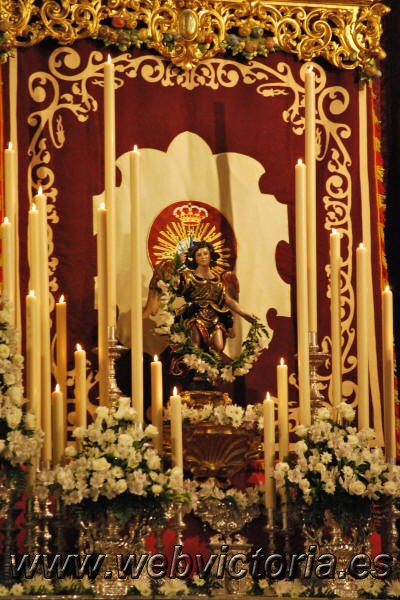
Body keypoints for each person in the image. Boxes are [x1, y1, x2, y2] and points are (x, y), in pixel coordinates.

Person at [171, 240, 255, 355]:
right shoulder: (188, 276)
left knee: (218, 346)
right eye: (199, 255)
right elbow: (173, 286)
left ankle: (211, 365)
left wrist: (244, 314)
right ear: (194, 258)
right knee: (195, 345)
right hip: (194, 314)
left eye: (205, 253)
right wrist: (176, 266)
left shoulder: (218, 280)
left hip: (214, 317)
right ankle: (195, 365)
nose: (203, 257)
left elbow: (228, 300)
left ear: (211, 256)